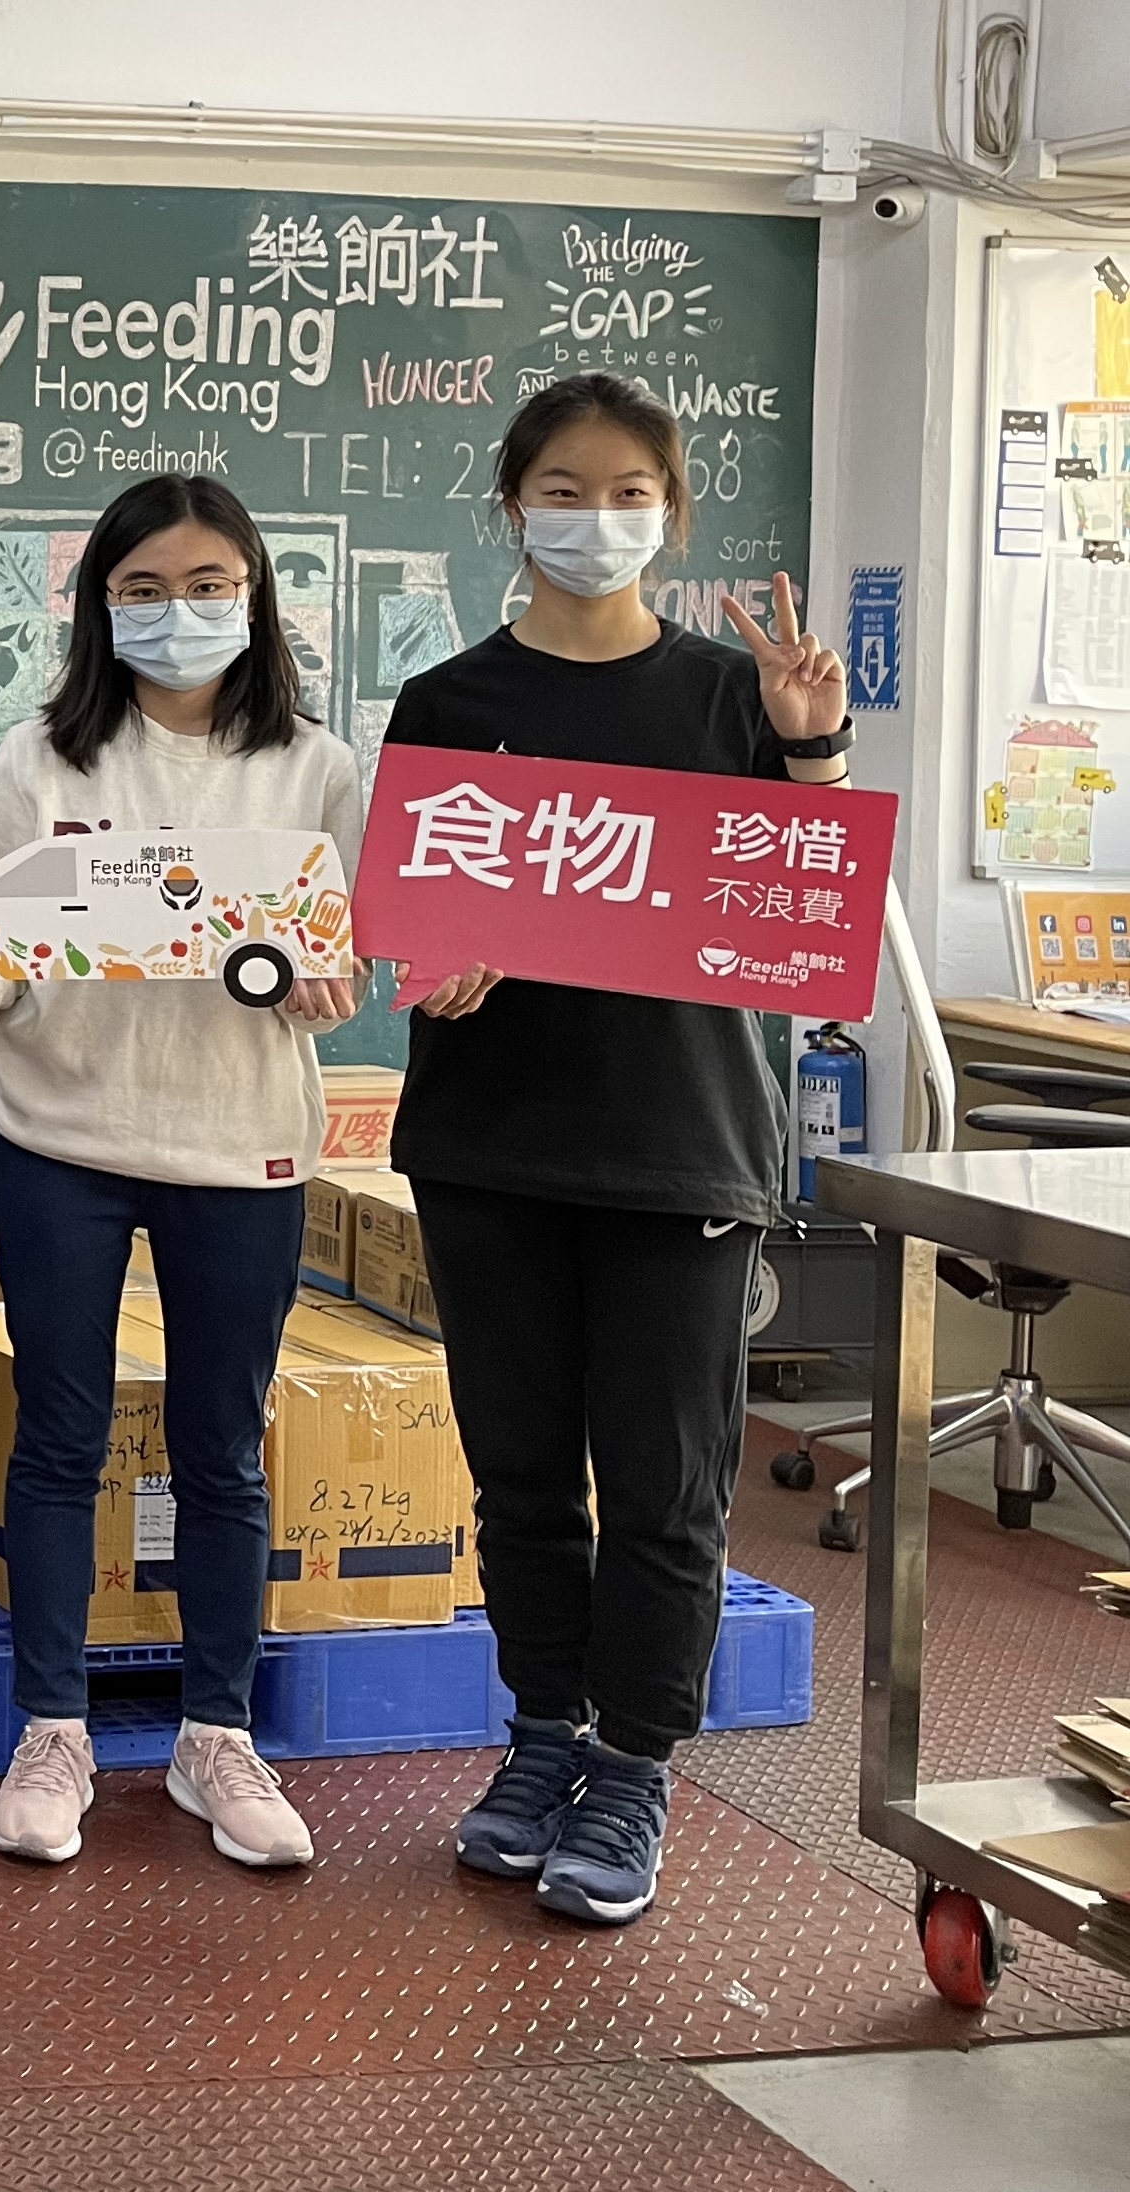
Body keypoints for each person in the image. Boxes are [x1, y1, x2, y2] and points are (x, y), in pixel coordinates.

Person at [386, 371, 852, 1927]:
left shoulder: (741, 697)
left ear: (674, 510)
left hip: (681, 1144)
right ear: (513, 506)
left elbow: (807, 914)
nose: (598, 518)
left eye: (629, 489)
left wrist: (816, 751)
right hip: (492, 1144)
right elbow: (407, 924)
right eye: (566, 490)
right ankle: (539, 1739)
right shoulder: (450, 701)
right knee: (519, 1475)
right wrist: (432, 950)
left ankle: (637, 1767)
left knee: (666, 1487)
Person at [0, 475, 363, 1869]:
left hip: (243, 1148)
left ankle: (220, 1739)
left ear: (257, 595)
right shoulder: (44, 755)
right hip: (62, 1142)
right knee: (60, 1436)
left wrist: (325, 984)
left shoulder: (317, 766)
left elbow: (343, 953)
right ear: (102, 604)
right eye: (145, 588)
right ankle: (55, 1727)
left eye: (210, 584)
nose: (179, 613)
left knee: (222, 1446)